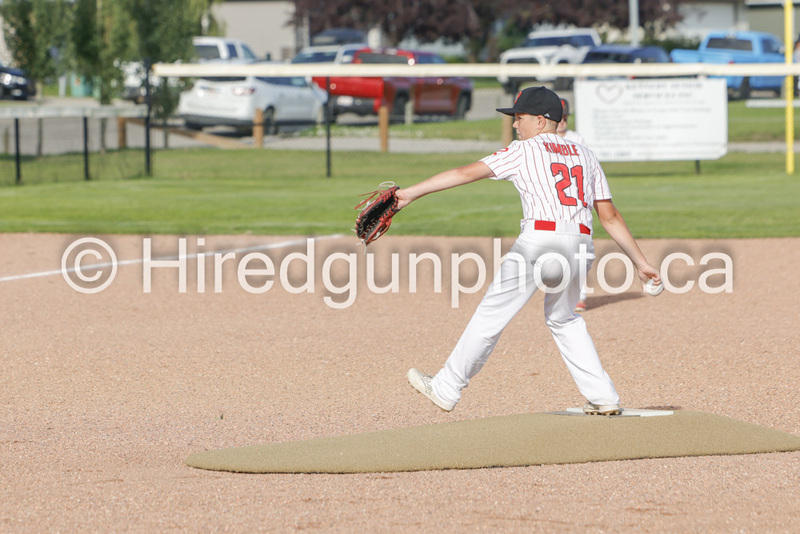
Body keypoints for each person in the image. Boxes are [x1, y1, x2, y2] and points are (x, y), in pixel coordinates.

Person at [398, 86, 661, 416]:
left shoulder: (523, 150)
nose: (514, 125)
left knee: (492, 315)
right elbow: (608, 215)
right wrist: (642, 263)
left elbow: (465, 173)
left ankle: (447, 386)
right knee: (564, 319)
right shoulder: (586, 154)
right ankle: (604, 396)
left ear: (540, 121)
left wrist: (409, 194)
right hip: (581, 245)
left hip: (539, 242)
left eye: (518, 118)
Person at [557, 98, 588, 312]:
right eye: (559, 118)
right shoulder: (544, 141)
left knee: (580, 251)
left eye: (565, 117)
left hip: (576, 201)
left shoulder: (576, 138)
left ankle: (580, 295)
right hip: (556, 203)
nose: (562, 121)